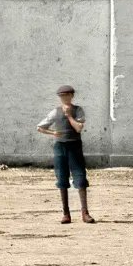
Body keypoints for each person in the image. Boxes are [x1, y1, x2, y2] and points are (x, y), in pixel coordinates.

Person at [35, 84, 94, 224]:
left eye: (67, 95)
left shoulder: (78, 110)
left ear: (72, 96)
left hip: (74, 145)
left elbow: (78, 128)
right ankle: (66, 213)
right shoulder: (55, 112)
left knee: (80, 177)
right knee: (62, 178)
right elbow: (40, 127)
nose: (64, 98)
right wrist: (53, 132)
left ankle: (85, 213)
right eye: (62, 96)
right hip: (60, 146)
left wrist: (68, 116)